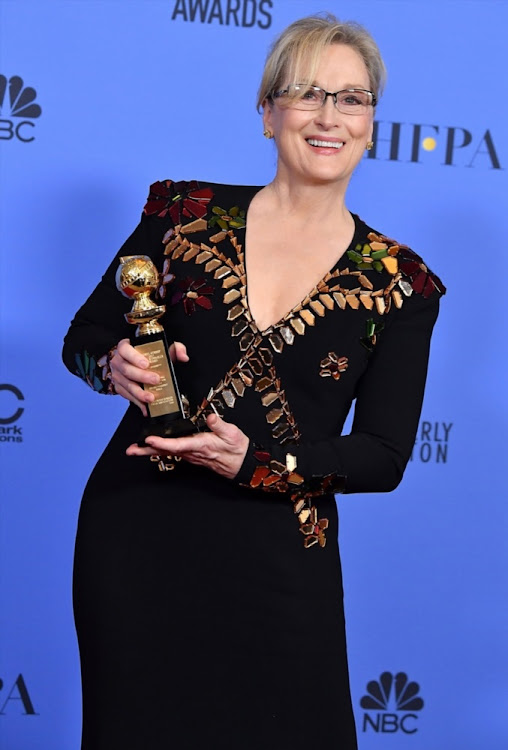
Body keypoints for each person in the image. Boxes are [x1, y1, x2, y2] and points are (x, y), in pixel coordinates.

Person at [63, 13, 445, 750]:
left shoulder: (401, 282)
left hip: (280, 553)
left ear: (372, 124)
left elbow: (384, 453)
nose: (329, 116)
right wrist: (112, 366)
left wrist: (259, 464)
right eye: (306, 93)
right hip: (138, 530)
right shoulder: (182, 216)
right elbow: (82, 340)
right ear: (267, 112)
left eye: (351, 98)